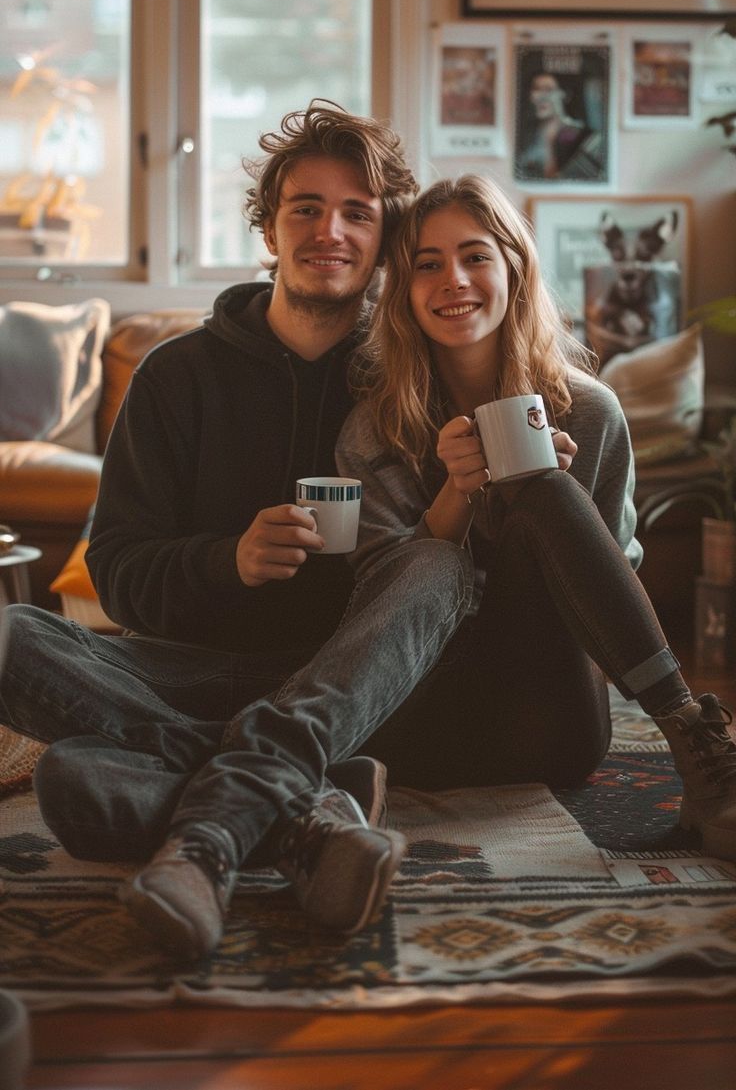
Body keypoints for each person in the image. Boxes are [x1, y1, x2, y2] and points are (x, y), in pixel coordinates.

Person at [0, 100, 448, 959]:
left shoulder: (406, 382)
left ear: (384, 236)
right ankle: (308, 813)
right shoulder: (177, 376)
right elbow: (119, 568)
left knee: (79, 783)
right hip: (179, 674)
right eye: (306, 208)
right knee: (14, 637)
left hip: (331, 690)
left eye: (358, 212)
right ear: (270, 228)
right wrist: (226, 561)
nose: (331, 230)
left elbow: (418, 587)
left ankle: (223, 821)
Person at [334, 174, 736, 850]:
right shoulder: (376, 429)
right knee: (523, 499)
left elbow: (612, 595)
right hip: (423, 717)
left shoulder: (589, 410)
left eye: (475, 255)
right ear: (402, 291)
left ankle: (693, 740)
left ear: (514, 268)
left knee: (546, 488)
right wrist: (457, 494)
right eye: (427, 264)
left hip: (549, 716)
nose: (453, 279)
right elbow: (381, 606)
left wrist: (557, 509)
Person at [515, 72, 604, 182]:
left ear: (565, 94)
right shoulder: (524, 138)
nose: (541, 97)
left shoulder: (585, 136)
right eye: (536, 89)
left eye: (548, 89)